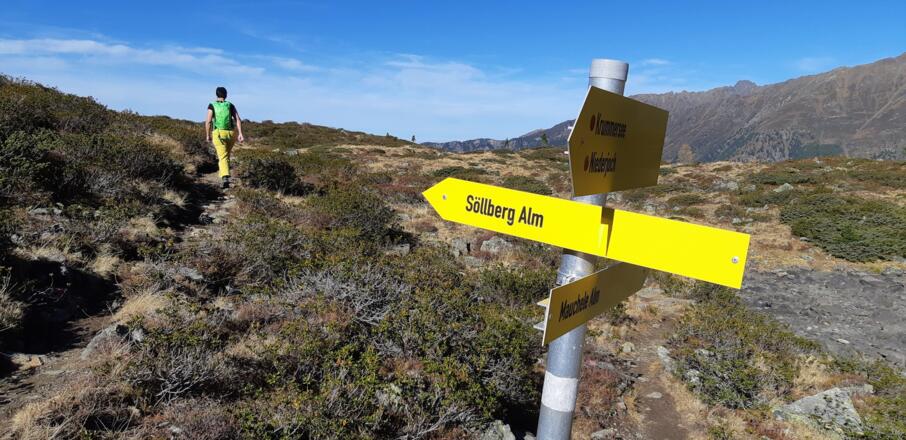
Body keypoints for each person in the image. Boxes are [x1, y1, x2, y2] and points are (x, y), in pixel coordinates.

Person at [205, 87, 244, 189]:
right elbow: (238, 119)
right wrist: (240, 133)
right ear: (226, 95)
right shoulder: (230, 105)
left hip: (218, 133)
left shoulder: (212, 105)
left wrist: (208, 134)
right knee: (226, 155)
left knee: (222, 156)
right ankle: (223, 174)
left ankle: (225, 177)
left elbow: (208, 121)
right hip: (231, 133)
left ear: (216, 95)